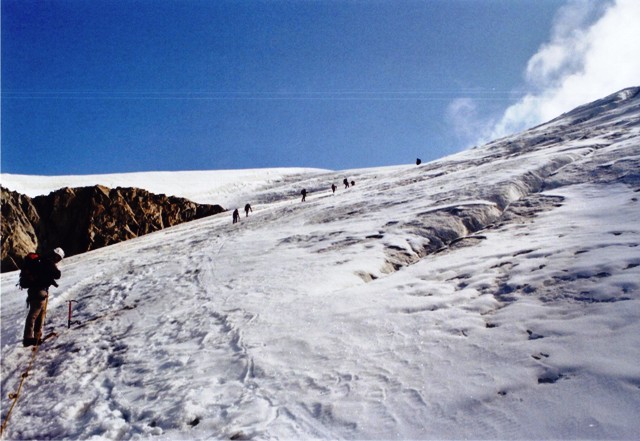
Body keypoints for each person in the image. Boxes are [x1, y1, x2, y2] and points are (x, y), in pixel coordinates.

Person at [23, 248, 64, 347]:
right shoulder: (48, 262)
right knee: (34, 314)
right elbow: (57, 275)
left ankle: (36, 336)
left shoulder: (41, 260)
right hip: (40, 291)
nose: (57, 261)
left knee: (39, 313)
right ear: (56, 256)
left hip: (33, 290)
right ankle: (28, 338)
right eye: (58, 259)